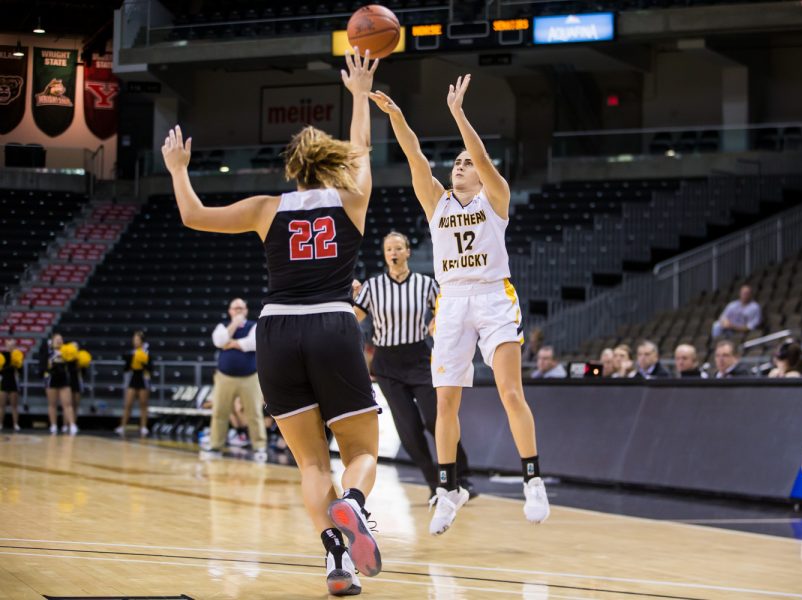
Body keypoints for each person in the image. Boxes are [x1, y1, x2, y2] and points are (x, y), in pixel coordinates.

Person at [162, 48, 381, 597]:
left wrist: (179, 171)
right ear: (332, 163)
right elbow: (363, 148)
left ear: (292, 169)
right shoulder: (352, 198)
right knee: (360, 453)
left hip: (277, 331)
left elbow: (193, 216)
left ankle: (337, 559)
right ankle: (353, 506)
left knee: (310, 462)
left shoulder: (266, 208)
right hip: (332, 324)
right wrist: (357, 94)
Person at [370, 75, 550, 536]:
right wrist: (396, 116)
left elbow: (484, 158)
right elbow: (414, 155)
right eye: (457, 161)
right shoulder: (437, 203)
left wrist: (458, 115)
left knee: (511, 391)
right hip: (452, 302)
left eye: (467, 163)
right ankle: (449, 489)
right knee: (445, 404)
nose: (461, 165)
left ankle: (532, 478)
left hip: (492, 295)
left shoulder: (496, 198)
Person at [353, 231, 474, 497]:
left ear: (408, 252)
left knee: (436, 420)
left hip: (419, 358)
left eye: (398, 248)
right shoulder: (371, 288)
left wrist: (436, 322)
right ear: (385, 255)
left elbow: (445, 311)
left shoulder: (426, 284)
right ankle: (436, 484)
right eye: (388, 249)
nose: (393, 253)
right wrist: (343, 295)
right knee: (409, 430)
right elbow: (353, 317)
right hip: (386, 364)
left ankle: (462, 474)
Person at [206, 298, 268, 463]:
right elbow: (219, 341)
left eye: (241, 308)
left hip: (250, 377)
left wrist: (231, 343)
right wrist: (233, 325)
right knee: (220, 412)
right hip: (224, 377)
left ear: (246, 310)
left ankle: (259, 446)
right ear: (230, 311)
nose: (239, 311)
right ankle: (215, 445)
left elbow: (253, 343)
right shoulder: (223, 326)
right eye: (235, 308)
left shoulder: (254, 326)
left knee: (254, 413)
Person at [116, 331, 152, 438]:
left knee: (143, 404)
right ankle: (122, 425)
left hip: (143, 379)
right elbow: (125, 366)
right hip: (133, 378)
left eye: (137, 340)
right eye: (134, 340)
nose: (135, 342)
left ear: (142, 341)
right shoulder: (131, 353)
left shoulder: (146, 353)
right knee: (128, 404)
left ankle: (143, 427)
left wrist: (143, 361)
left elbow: (150, 368)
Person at [42, 333, 77, 435]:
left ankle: (72, 425)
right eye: (57, 339)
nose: (59, 340)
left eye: (61, 339)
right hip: (51, 378)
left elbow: (72, 366)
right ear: (52, 341)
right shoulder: (48, 352)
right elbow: (43, 365)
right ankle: (53, 425)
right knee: (52, 404)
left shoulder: (66, 351)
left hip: (63, 379)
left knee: (67, 404)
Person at [0, 339, 24, 432]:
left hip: (14, 381)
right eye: (9, 345)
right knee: (1, 405)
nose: (10, 347)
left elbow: (20, 370)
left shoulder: (17, 355)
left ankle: (15, 424)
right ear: (5, 345)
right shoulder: (2, 355)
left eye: (12, 345)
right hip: (4, 381)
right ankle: (0, 423)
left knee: (14, 405)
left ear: (15, 346)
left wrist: (17, 364)